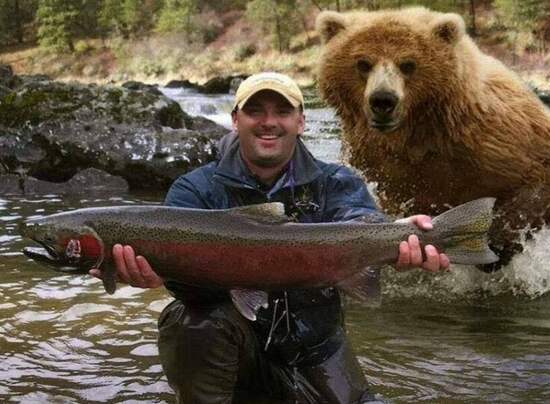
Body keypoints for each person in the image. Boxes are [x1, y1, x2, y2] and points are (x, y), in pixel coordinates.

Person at [90, 72, 449, 403]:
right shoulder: (194, 190)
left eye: (282, 111)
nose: (268, 122)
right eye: (254, 111)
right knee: (190, 322)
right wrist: (160, 274)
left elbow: (360, 221)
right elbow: (192, 293)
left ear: (301, 122)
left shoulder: (336, 182)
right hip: (238, 348)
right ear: (235, 120)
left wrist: (400, 237)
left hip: (317, 349)